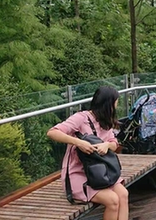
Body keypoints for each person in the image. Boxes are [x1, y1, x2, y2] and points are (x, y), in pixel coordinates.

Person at [47, 86, 129, 220]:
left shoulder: (105, 120)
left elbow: (114, 144)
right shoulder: (81, 118)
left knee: (123, 194)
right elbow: (52, 132)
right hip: (79, 175)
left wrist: (107, 145)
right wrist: (78, 142)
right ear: (108, 103)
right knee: (113, 200)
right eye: (116, 102)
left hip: (100, 172)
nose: (116, 105)